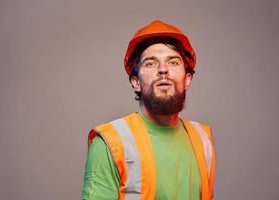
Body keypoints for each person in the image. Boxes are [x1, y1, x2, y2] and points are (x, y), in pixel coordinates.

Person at [82, 20, 216, 200]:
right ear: (135, 82)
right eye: (151, 63)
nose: (163, 70)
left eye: (173, 62)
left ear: (187, 79)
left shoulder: (203, 139)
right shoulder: (110, 143)